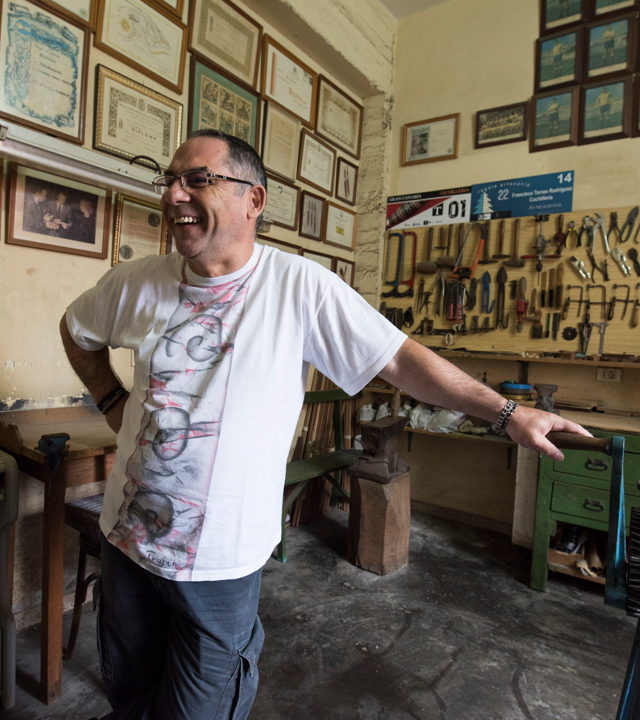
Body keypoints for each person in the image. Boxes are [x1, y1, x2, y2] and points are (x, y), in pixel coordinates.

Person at [59, 129, 589, 720]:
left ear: (253, 199)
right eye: (171, 179)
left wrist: (507, 411)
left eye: (197, 179)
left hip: (218, 565)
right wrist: (110, 397)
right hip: (125, 542)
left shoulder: (300, 288)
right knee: (129, 695)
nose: (174, 193)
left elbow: (399, 359)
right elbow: (76, 331)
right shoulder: (135, 284)